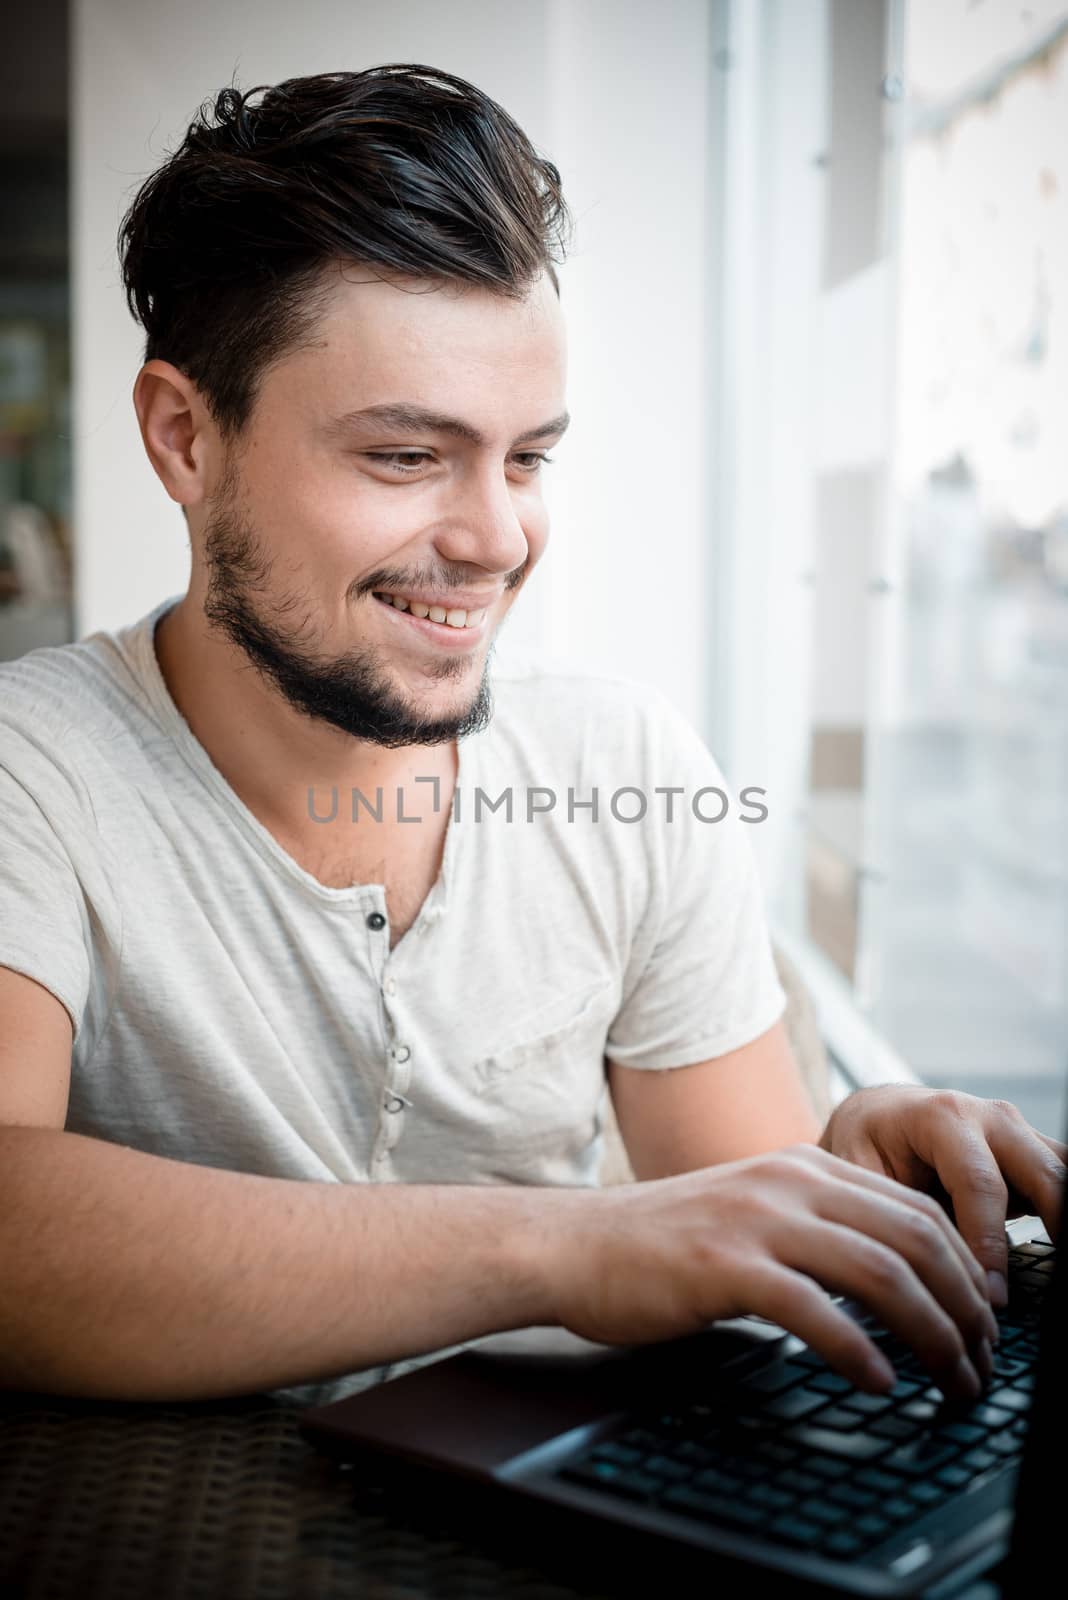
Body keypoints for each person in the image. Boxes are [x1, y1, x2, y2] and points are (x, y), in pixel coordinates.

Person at [0, 65, 1062, 1410]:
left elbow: (736, 1228)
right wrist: (565, 1248)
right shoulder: (29, 770)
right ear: (183, 438)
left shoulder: (622, 763)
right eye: (405, 456)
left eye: (528, 458)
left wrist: (858, 1187)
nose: (496, 539)